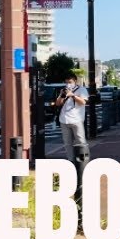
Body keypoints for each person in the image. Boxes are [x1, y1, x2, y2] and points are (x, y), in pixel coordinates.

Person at [53, 75, 90, 209]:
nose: (68, 84)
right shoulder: (63, 90)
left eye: (70, 82)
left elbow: (83, 102)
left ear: (75, 81)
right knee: (67, 143)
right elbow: (58, 104)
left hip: (77, 119)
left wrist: (72, 95)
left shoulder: (81, 90)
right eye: (66, 82)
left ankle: (84, 160)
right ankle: (71, 162)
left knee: (81, 141)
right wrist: (62, 96)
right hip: (64, 120)